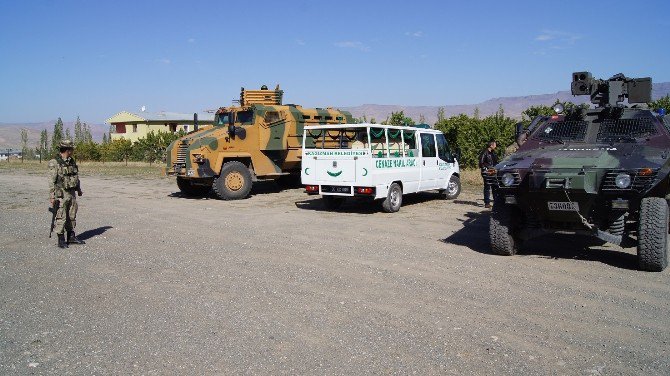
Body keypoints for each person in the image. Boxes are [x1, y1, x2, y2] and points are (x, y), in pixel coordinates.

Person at [49, 140, 84, 248]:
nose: (73, 151)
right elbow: (51, 180)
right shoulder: (55, 162)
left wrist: (78, 189)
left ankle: (71, 236)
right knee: (61, 215)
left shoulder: (71, 161)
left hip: (72, 192)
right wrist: (52, 196)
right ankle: (61, 239)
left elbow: (75, 176)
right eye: (72, 149)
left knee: (72, 214)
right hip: (61, 193)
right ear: (68, 150)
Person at [478, 140, 498, 208]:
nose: (496, 146)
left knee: (495, 187)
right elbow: (481, 163)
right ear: (491, 145)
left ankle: (496, 202)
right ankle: (487, 203)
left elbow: (496, 162)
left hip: (493, 172)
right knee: (487, 187)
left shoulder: (493, 153)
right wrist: (487, 169)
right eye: (494, 144)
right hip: (487, 172)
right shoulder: (484, 152)